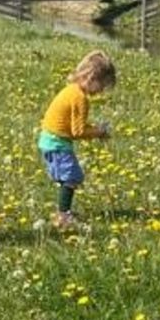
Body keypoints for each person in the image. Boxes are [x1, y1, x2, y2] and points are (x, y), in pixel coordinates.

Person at [38, 51, 118, 230]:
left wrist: (94, 129)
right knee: (72, 177)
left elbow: (75, 124)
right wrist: (99, 132)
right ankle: (63, 216)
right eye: (102, 86)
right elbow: (78, 131)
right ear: (92, 78)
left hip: (49, 140)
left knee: (67, 177)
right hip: (57, 143)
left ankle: (63, 211)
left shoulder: (72, 90)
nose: (101, 92)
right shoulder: (80, 98)